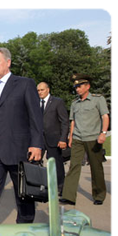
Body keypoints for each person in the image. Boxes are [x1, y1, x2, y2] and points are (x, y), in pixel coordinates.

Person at [0, 47, 43, 225]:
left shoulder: (24, 84)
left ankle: (25, 227)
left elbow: (35, 116)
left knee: (23, 192)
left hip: (19, 148)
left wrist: (37, 144)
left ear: (8, 62)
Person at [60, 74, 109, 206]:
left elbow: (105, 117)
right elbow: (73, 121)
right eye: (75, 86)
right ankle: (68, 196)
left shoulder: (98, 100)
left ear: (87, 86)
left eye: (79, 86)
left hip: (93, 138)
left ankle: (99, 195)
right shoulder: (75, 103)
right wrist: (70, 136)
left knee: (96, 167)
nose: (77, 89)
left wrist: (103, 133)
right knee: (74, 166)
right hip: (77, 139)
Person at [37, 82, 69, 196]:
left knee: (56, 164)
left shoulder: (57, 102)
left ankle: (60, 187)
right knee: (35, 163)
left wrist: (63, 139)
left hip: (54, 139)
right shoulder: (36, 103)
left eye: (42, 90)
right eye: (38, 90)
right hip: (39, 139)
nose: (40, 92)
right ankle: (40, 186)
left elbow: (64, 122)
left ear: (48, 90)